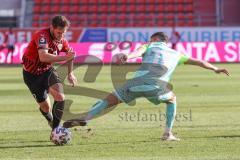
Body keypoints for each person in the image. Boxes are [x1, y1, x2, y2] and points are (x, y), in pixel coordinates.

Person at [63, 32, 229, 141]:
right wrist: (215, 68)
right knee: (172, 99)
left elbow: (135, 53)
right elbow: (199, 61)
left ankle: (85, 117)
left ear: (155, 39)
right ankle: (167, 133)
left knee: (110, 100)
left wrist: (127, 56)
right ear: (166, 42)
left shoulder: (149, 46)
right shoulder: (178, 54)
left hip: (134, 84)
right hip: (156, 87)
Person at [22, 15, 77, 136]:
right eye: (59, 32)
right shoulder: (42, 36)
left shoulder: (62, 41)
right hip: (31, 75)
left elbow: (71, 55)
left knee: (60, 96)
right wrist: (64, 58)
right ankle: (51, 121)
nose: (61, 36)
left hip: (47, 71)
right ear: (52, 27)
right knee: (45, 107)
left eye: (63, 33)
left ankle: (56, 131)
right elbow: (43, 56)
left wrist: (70, 73)